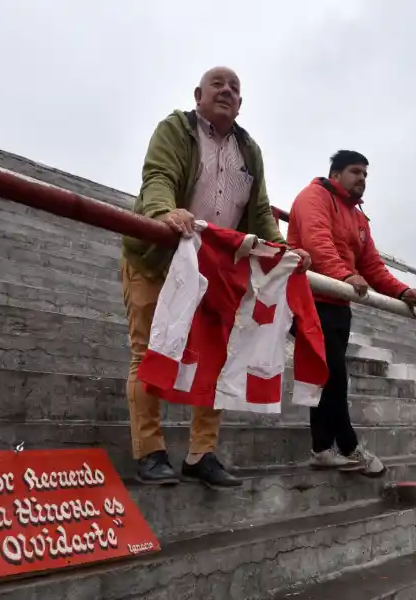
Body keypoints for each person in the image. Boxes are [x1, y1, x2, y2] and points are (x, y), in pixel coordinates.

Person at [120, 66, 311, 489]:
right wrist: (162, 213)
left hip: (216, 268)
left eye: (235, 88)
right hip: (157, 258)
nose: (226, 91)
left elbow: (260, 213)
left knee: (218, 358)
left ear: (241, 103)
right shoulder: (176, 128)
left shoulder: (249, 149)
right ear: (198, 94)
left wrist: (283, 251)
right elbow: (158, 178)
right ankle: (149, 452)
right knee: (148, 351)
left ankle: (200, 454)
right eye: (218, 85)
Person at [286, 150, 416, 477]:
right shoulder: (313, 197)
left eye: (365, 174)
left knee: (327, 376)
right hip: (309, 299)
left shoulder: (359, 219)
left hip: (339, 304)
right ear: (335, 174)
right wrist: (344, 276)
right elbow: (317, 244)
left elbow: (372, 265)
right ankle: (349, 446)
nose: (361, 179)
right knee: (334, 377)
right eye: (355, 172)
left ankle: (321, 449)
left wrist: (401, 291)